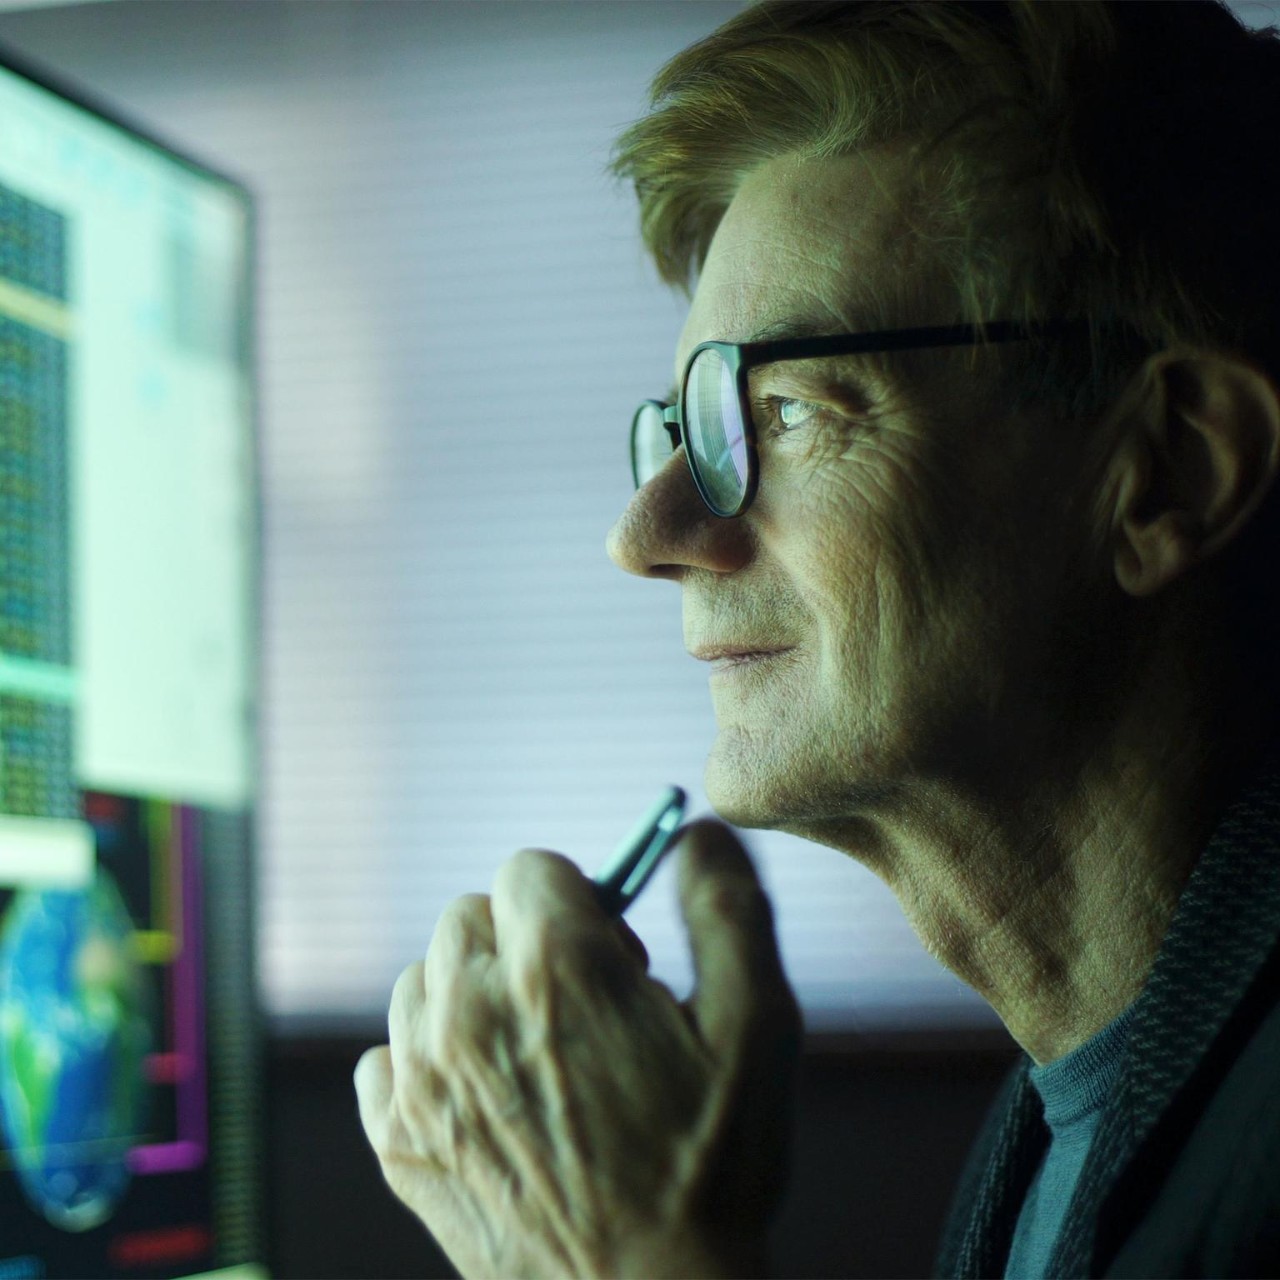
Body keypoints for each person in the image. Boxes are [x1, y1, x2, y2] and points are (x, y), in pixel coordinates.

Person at [353, 2, 1280, 1275]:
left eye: (778, 410)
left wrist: (634, 1252)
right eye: (678, 429)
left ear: (1165, 469)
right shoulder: (1045, 1125)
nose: (647, 530)